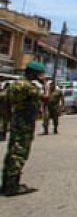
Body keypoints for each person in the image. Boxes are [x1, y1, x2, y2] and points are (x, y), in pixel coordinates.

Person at [1, 60, 49, 196]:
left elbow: (5, 104)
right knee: (20, 153)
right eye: (39, 73)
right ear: (34, 73)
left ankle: (7, 183)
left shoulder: (13, 85)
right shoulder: (28, 87)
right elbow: (46, 98)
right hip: (25, 121)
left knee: (12, 151)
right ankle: (12, 187)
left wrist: (8, 120)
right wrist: (45, 84)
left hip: (16, 119)